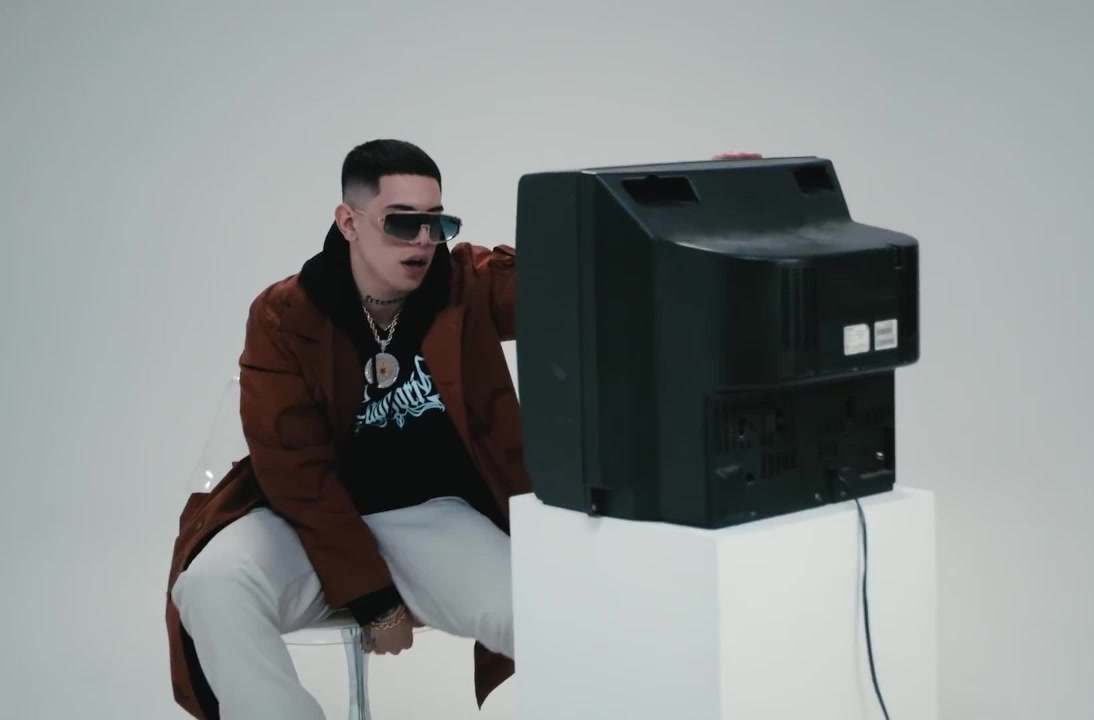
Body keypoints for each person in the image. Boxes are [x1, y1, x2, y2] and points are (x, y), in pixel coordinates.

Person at [163, 139, 760, 719]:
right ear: (348, 222)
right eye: (402, 223)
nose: (424, 240)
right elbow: (295, 470)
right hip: (305, 521)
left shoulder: (465, 283)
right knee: (212, 585)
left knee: (548, 620)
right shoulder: (286, 313)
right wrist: (371, 596)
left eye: (436, 222)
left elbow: (583, 275)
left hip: (431, 516)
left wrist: (704, 210)